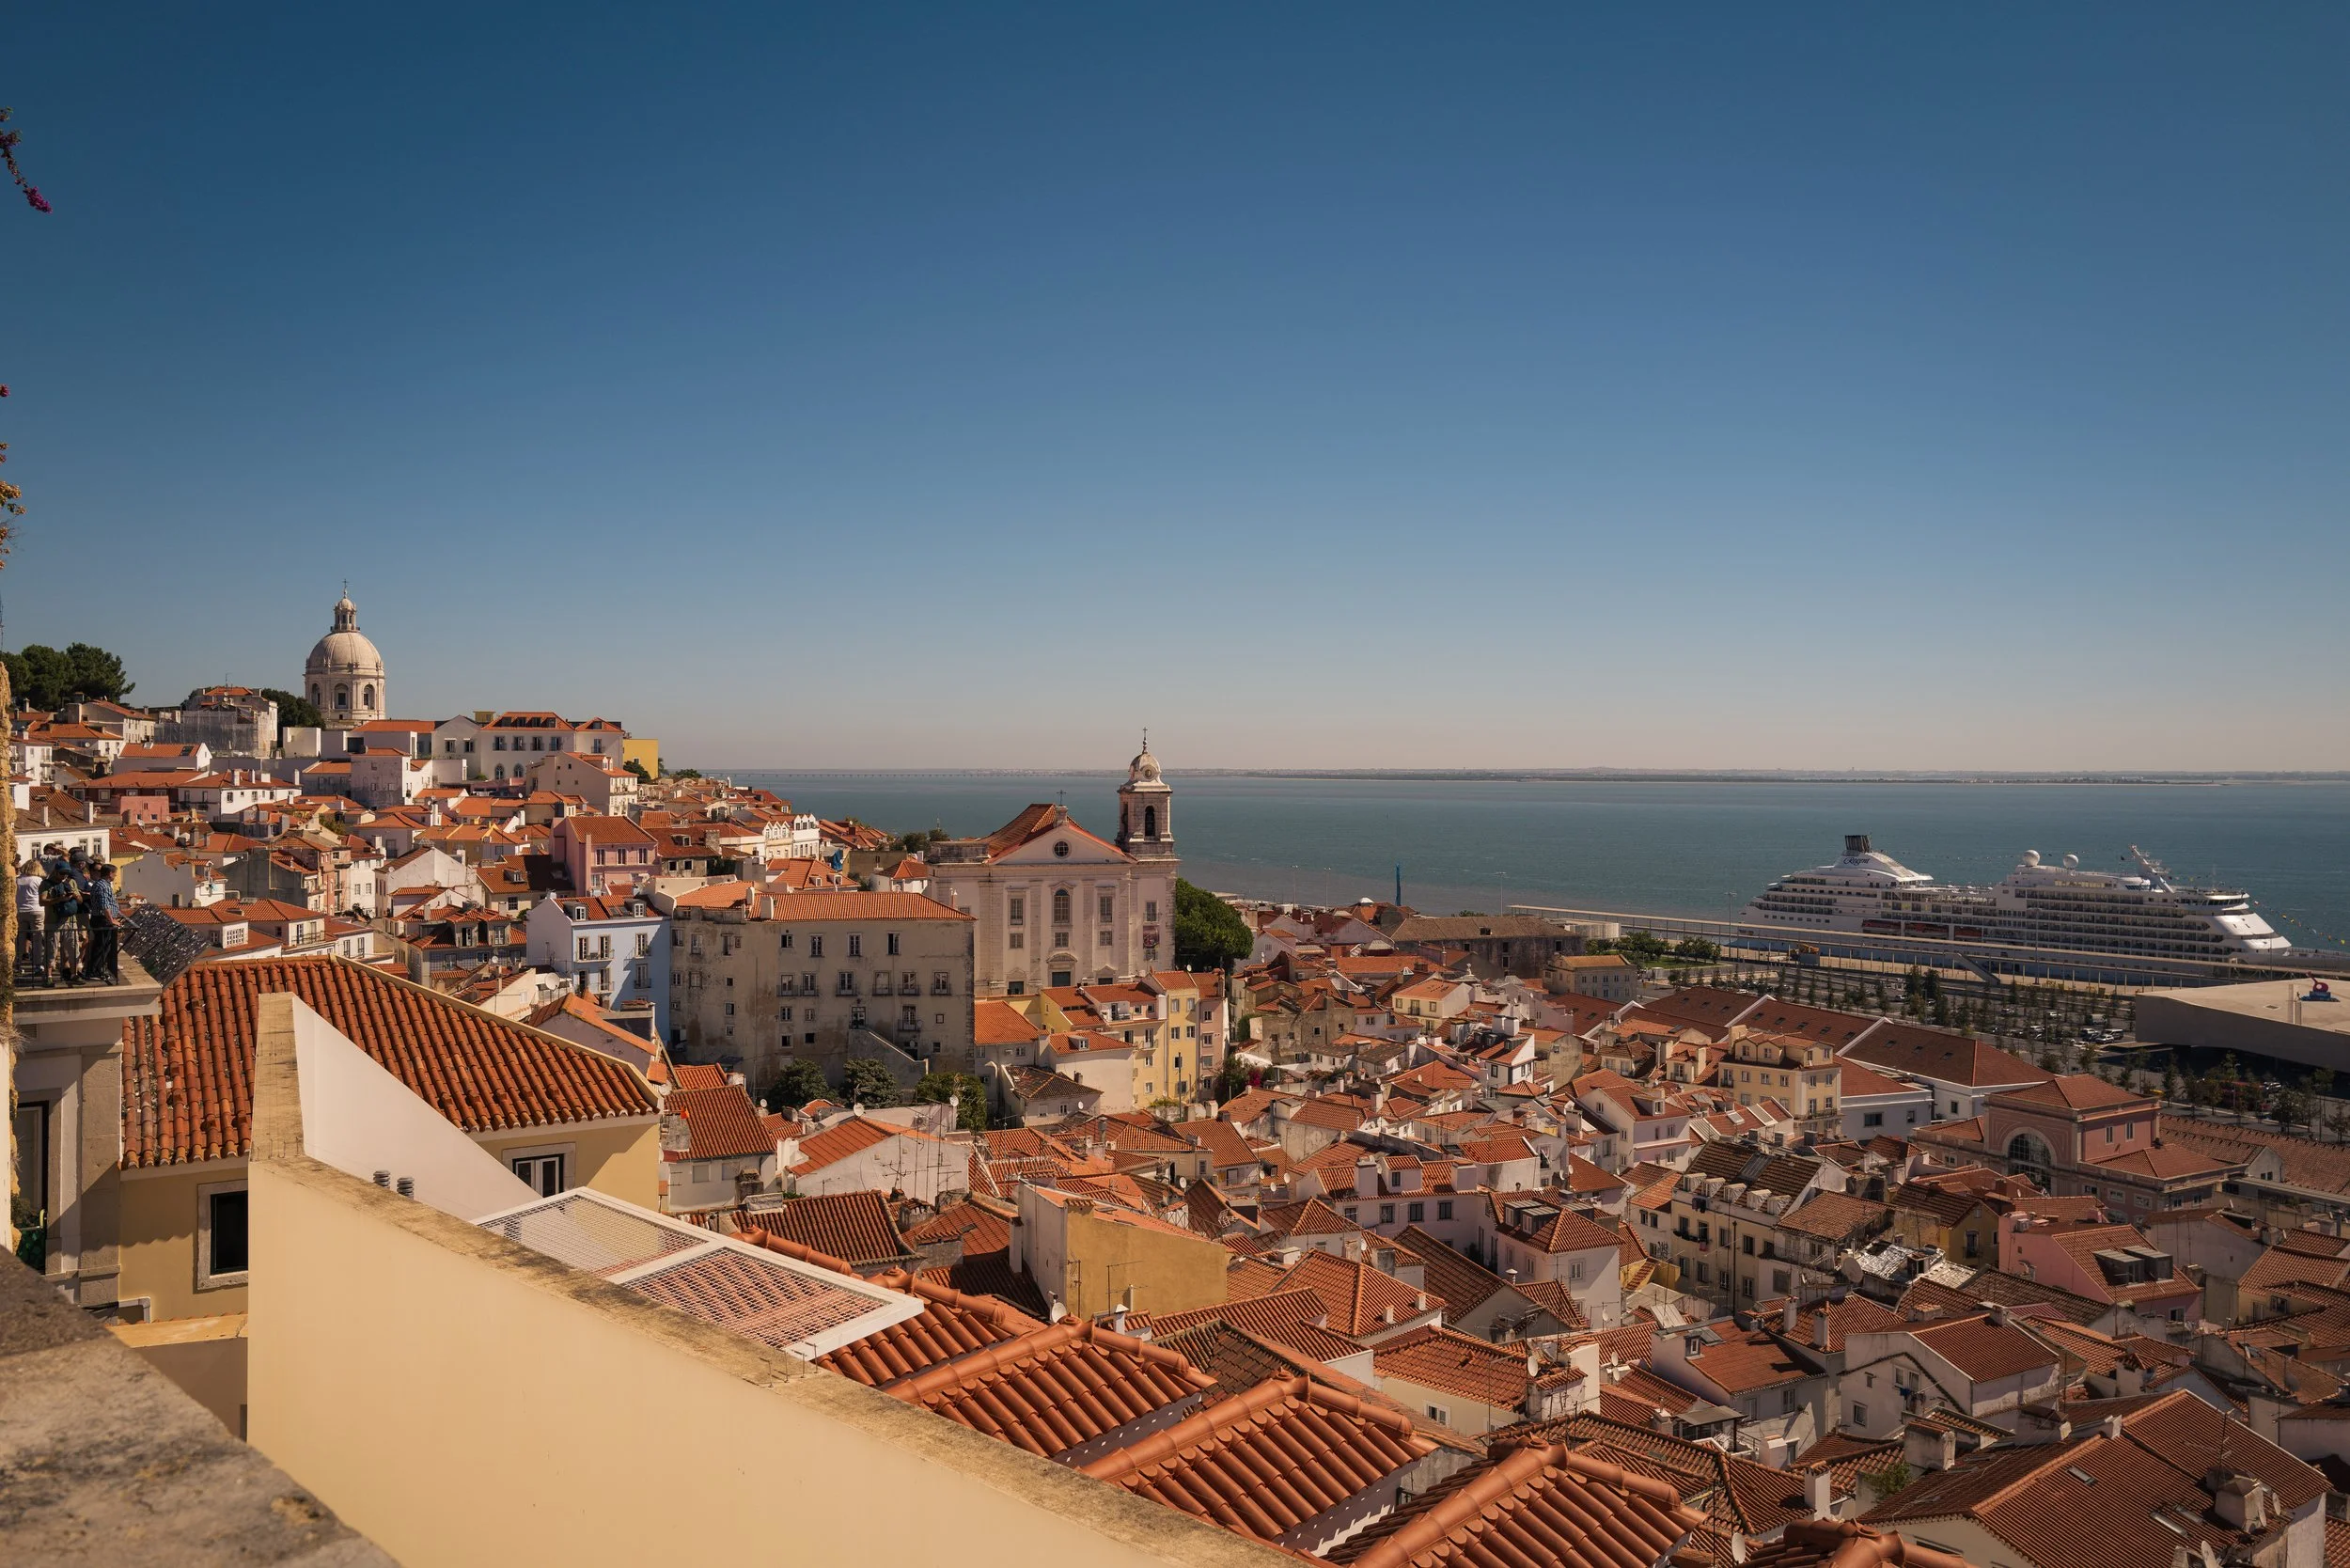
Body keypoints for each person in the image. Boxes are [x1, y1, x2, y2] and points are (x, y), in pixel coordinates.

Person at [39, 846, 84, 985]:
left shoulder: (71, 882)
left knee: (73, 948)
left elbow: (81, 901)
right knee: (51, 950)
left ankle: (74, 974)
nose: (64, 876)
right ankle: (48, 977)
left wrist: (76, 896)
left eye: (66, 874)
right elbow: (42, 902)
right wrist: (59, 899)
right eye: (62, 874)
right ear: (56, 872)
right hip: (53, 922)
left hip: (71, 921)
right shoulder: (46, 884)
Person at [81, 862, 121, 984]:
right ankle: (93, 971)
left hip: (101, 919)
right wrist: (111, 920)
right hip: (102, 920)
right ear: (110, 874)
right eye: (115, 873)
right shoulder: (103, 886)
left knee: (102, 946)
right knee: (101, 947)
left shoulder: (101, 884)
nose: (115, 876)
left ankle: (96, 970)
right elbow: (105, 906)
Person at [16, 858, 41, 970]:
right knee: (37, 938)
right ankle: (37, 964)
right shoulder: (38, 880)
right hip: (37, 910)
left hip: (21, 910)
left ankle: (18, 963)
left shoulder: (17, 880)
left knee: (20, 938)